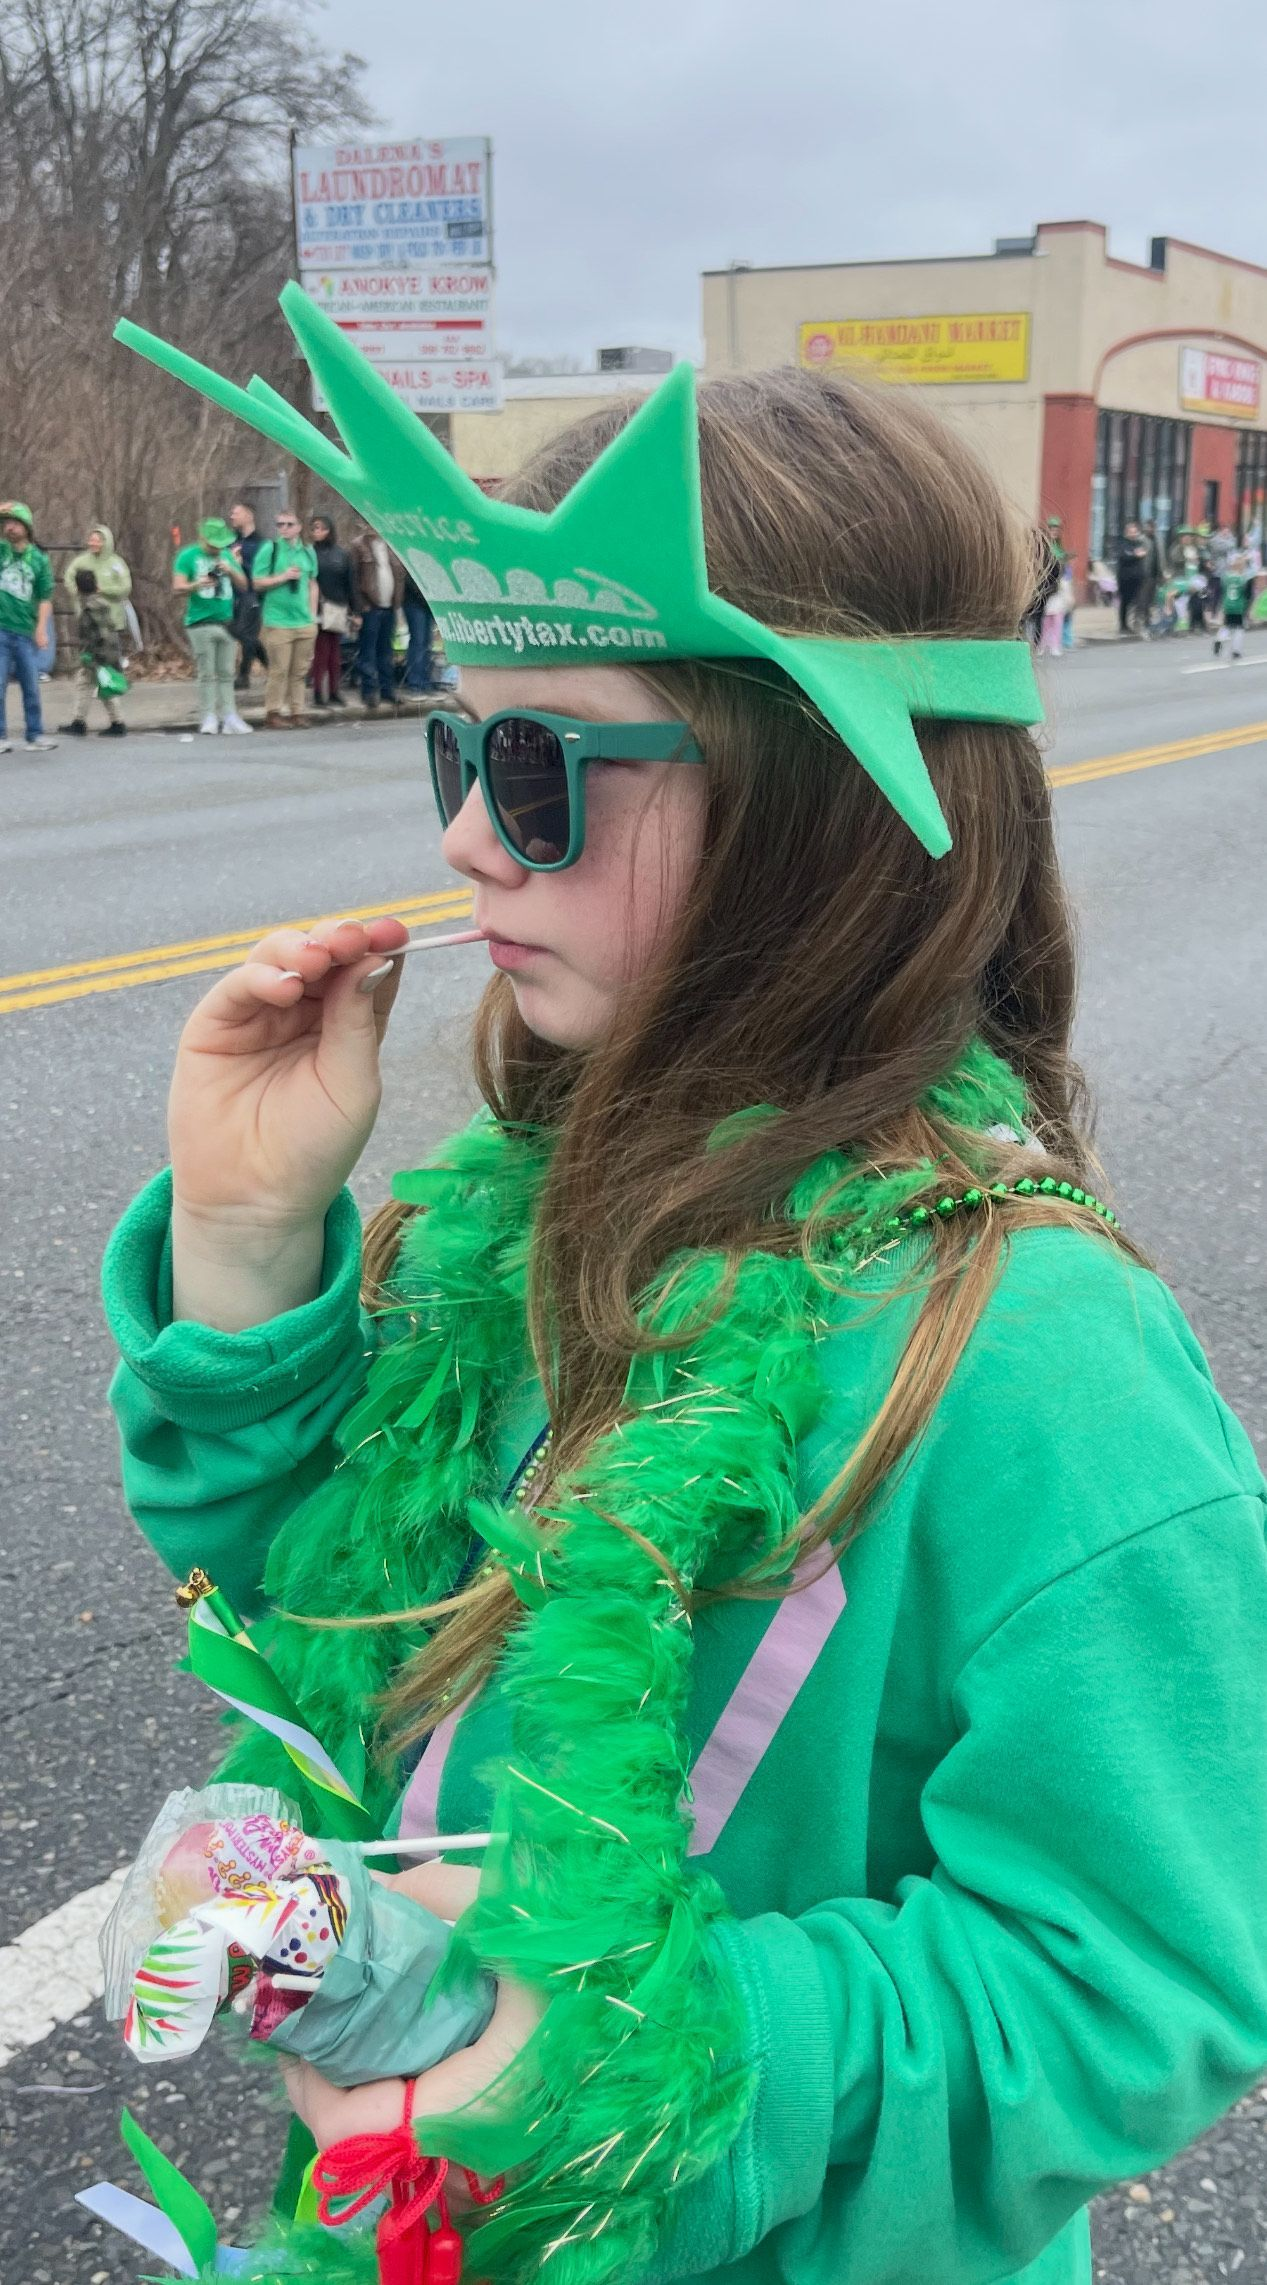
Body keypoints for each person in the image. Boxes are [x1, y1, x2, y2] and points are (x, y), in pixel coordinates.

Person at [101, 331, 1267, 2285]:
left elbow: (1147, 1969)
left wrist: (656, 2065)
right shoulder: (540, 1206)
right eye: (457, 754)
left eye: (544, 771)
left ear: (808, 801)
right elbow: (327, 1603)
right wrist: (243, 1243)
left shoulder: (1039, 1360)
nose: (467, 837)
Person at [172, 516, 251, 735]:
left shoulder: (226, 555)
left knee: (226, 672)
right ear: (203, 539)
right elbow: (177, 588)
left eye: (220, 544)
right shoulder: (188, 556)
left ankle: (230, 715)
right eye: (213, 544)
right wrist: (197, 584)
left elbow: (244, 584)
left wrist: (231, 569)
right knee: (207, 672)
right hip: (200, 622)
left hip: (226, 622)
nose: (217, 548)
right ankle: (208, 715)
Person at [0, 501, 58, 753]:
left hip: (25, 630)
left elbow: (45, 597)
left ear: (26, 526)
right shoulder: (2, 551)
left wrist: (41, 629)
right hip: (0, 628)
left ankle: (34, 734)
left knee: (31, 685)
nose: (9, 528)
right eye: (6, 523)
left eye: (15, 523)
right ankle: (1, 736)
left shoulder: (38, 560)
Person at [253, 508, 318, 729]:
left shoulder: (308, 552)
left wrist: (312, 615)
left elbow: (312, 583)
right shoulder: (269, 549)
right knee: (279, 669)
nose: (284, 529)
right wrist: (283, 577)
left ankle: (297, 711)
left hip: (304, 621)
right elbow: (257, 581)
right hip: (277, 621)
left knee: (299, 671)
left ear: (299, 527)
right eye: (280, 525)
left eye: (289, 524)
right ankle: (273, 712)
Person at [350, 517, 404, 709]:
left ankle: (387, 689)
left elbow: (399, 575)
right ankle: (369, 691)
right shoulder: (359, 546)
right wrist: (359, 606)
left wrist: (397, 603)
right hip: (369, 607)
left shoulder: (391, 545)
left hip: (389, 606)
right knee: (368, 651)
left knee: (386, 650)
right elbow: (354, 579)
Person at [67, 566, 127, 736]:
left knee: (90, 686)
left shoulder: (88, 609)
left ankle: (82, 723)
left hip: (96, 655)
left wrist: (89, 655)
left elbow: (92, 635)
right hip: (108, 652)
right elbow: (110, 631)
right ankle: (114, 721)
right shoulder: (103, 604)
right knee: (103, 687)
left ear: (78, 588)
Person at [310, 512, 355, 707]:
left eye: (320, 528)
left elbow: (350, 584)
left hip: (337, 608)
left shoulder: (341, 554)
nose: (316, 532)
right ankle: (319, 693)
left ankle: (335, 691)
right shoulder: (310, 553)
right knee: (320, 652)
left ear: (329, 531)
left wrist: (355, 611)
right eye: (314, 528)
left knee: (335, 653)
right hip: (317, 607)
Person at [63, 523, 132, 639]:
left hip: (112, 618)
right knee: (88, 652)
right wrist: (75, 590)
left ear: (106, 542)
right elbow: (68, 575)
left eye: (97, 541)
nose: (93, 544)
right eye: (91, 540)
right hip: (88, 616)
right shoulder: (82, 561)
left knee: (111, 653)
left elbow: (125, 587)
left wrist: (103, 590)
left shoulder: (116, 563)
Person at [228, 500, 268, 691]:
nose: (232, 516)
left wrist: (241, 563)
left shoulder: (261, 543)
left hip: (252, 595)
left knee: (246, 633)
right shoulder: (232, 541)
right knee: (239, 633)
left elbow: (261, 572)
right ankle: (271, 666)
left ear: (249, 515)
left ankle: (243, 675)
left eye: (236, 512)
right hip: (232, 595)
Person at [1213, 553, 1256, 660]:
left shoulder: (1225, 577)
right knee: (1239, 628)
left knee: (1228, 625)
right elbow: (1247, 594)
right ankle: (1236, 651)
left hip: (1228, 604)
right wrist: (1249, 607)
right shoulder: (1243, 578)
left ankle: (1219, 638)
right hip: (1238, 606)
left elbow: (1222, 591)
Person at [402, 566, 438, 694]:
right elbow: (411, 582)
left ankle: (425, 681)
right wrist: (426, 599)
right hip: (414, 603)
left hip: (428, 604)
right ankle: (415, 683)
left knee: (427, 643)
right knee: (418, 642)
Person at [1114, 520, 1149, 635]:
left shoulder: (1138, 543)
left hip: (1137, 578)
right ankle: (1123, 625)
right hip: (1125, 578)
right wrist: (1135, 555)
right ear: (1126, 533)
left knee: (1137, 601)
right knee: (1125, 602)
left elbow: (1143, 554)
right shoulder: (1122, 543)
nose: (1133, 534)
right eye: (1131, 532)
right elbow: (1124, 556)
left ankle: (1135, 623)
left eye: (1135, 532)